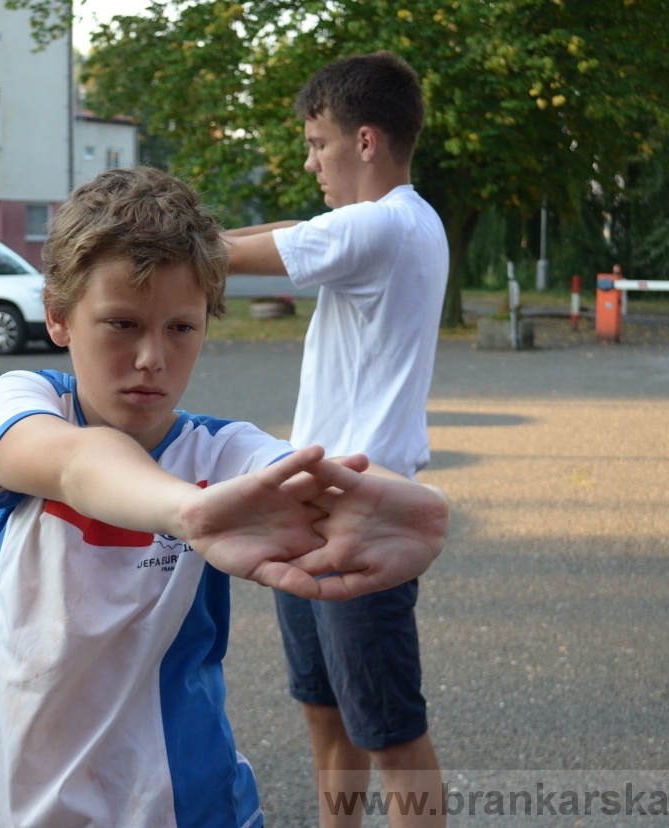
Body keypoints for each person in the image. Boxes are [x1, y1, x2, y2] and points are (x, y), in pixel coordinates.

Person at [0, 166, 449, 828]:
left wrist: (380, 504)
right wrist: (184, 510)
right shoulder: (23, 402)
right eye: (122, 324)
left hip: (188, 807)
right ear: (58, 315)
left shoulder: (224, 454)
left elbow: (303, 475)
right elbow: (78, 465)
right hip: (15, 808)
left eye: (181, 329)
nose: (152, 358)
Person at [221, 52, 450, 827]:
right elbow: (298, 230)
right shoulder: (389, 226)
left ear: (365, 141)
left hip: (362, 515)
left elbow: (237, 257)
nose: (310, 160)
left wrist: (141, 227)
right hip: (310, 504)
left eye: (318, 143)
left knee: (392, 737)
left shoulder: (382, 226)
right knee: (326, 716)